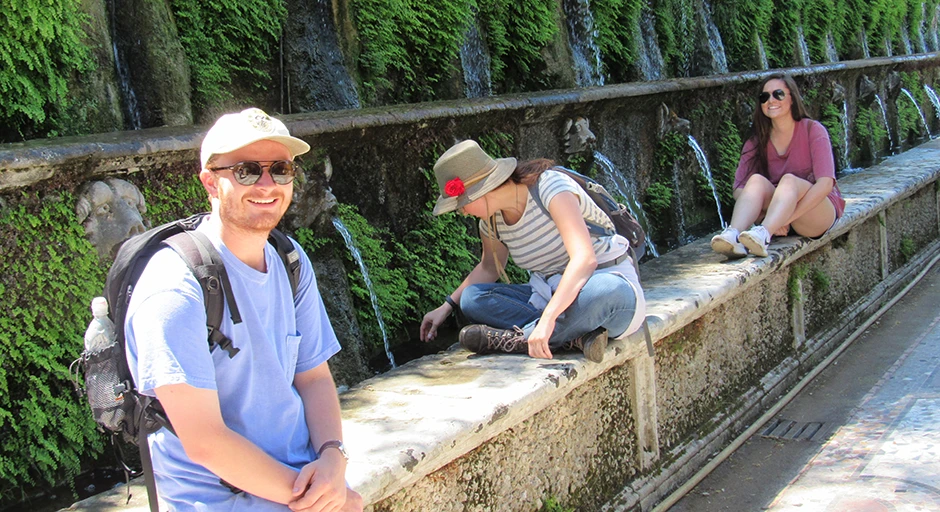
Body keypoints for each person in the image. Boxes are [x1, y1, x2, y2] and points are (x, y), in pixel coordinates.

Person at [125, 108, 362, 512]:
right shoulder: (174, 287)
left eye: (281, 169)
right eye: (247, 171)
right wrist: (317, 498)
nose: (268, 184)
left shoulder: (289, 259)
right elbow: (205, 441)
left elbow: (314, 378)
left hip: (297, 476)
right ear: (211, 183)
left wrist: (332, 457)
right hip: (220, 498)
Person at [419, 140, 646, 362]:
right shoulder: (491, 222)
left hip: (605, 286)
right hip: (548, 295)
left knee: (606, 290)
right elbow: (488, 268)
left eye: (461, 205)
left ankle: (521, 340)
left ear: (479, 191)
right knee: (472, 298)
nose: (464, 213)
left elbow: (585, 259)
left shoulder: (550, 187)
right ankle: (572, 337)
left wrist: (548, 318)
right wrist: (446, 306)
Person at [711, 74, 846, 259]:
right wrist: (767, 213)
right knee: (756, 181)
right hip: (779, 213)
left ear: (792, 98)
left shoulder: (813, 130)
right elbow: (739, 189)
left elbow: (825, 184)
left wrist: (785, 219)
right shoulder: (757, 139)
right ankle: (733, 235)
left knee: (789, 181)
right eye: (764, 97)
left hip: (815, 213)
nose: (770, 100)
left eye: (778, 94)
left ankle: (764, 234)